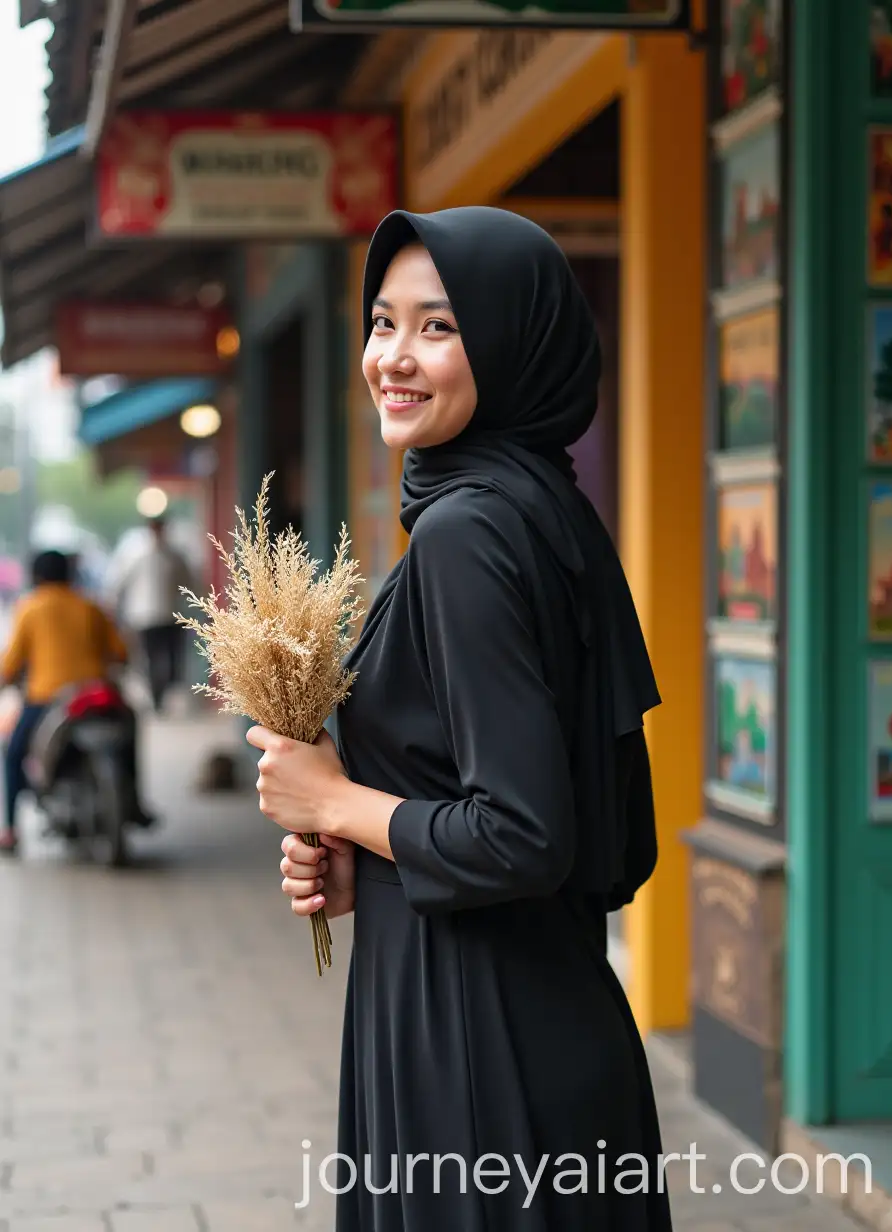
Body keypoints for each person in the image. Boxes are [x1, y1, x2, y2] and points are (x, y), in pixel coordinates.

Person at [246, 207, 672, 1231]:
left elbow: (523, 832)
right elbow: (605, 837)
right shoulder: (544, 509)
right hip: (538, 1018)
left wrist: (340, 801)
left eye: (439, 326)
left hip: (475, 1054)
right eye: (382, 322)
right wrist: (372, 855)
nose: (394, 356)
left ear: (514, 340)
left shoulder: (467, 533)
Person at [0, 550, 148, 854]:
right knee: (131, 728)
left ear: (37, 577)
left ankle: (11, 830)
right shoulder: (91, 606)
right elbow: (120, 651)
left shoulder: (29, 607)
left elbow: (11, 661)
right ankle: (136, 802)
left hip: (47, 700)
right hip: (96, 696)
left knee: (13, 753)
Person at [108, 517, 195, 713]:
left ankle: (162, 691)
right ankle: (157, 695)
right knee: (152, 658)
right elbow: (119, 582)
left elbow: (189, 582)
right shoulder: (135, 553)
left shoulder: (174, 555)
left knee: (170, 660)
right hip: (144, 617)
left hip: (171, 616)